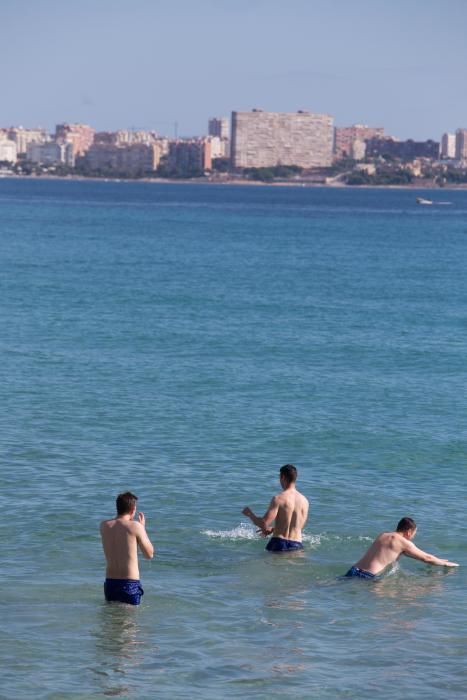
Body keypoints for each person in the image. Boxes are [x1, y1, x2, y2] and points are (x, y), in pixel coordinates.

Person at [345, 516, 459, 579]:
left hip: (354, 570)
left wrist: (438, 560)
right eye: (414, 533)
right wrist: (446, 564)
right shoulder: (403, 542)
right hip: (368, 577)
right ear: (409, 532)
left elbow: (417, 555)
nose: (413, 536)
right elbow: (426, 558)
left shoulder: (383, 535)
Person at [100, 491, 154, 605]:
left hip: (110, 583)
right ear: (133, 509)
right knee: (130, 621)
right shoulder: (135, 526)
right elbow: (149, 554)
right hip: (130, 584)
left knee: (112, 621)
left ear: (117, 507)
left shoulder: (104, 525)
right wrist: (142, 528)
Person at [242, 464, 309, 552]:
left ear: (282, 477)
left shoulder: (279, 498)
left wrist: (250, 514)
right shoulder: (305, 501)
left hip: (278, 544)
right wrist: (274, 529)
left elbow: (264, 524)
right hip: (297, 546)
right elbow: (298, 526)